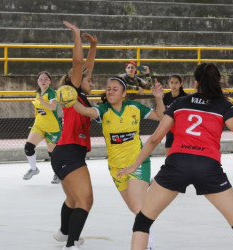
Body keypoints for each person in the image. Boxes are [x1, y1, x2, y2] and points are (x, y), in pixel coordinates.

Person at [117, 63, 233, 250]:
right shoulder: (224, 106)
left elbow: (155, 139)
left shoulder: (180, 103)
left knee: (143, 221)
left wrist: (135, 165)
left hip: (177, 164)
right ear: (218, 81)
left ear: (196, 82)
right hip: (208, 167)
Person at [73, 77, 165, 250]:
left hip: (138, 162)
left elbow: (160, 116)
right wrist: (70, 99)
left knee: (138, 205)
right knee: (135, 207)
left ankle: (148, 245)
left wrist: (158, 98)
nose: (110, 91)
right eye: (108, 89)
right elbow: (85, 111)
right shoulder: (103, 110)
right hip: (116, 167)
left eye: (115, 89)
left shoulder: (134, 107)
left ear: (124, 94)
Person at [51, 21, 97, 250]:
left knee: (73, 200)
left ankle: (63, 233)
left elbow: (86, 66)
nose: (92, 81)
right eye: (88, 79)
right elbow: (79, 63)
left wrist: (94, 46)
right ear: (76, 81)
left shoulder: (79, 96)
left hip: (64, 153)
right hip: (69, 152)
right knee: (85, 201)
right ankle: (71, 244)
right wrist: (77, 36)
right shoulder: (72, 92)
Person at [22, 71, 62, 184]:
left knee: (52, 153)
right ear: (37, 82)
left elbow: (53, 107)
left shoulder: (52, 93)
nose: (43, 81)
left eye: (45, 79)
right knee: (28, 147)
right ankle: (33, 169)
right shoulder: (38, 93)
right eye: (41, 79)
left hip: (52, 127)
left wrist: (43, 102)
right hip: (39, 125)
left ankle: (57, 173)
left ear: (50, 81)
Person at [162, 74, 187, 156]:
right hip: (170, 129)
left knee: (182, 155)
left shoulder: (185, 98)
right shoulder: (166, 96)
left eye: (176, 83)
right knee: (168, 155)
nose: (174, 85)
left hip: (182, 130)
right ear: (169, 84)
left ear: (181, 84)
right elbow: (162, 113)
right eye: (172, 82)